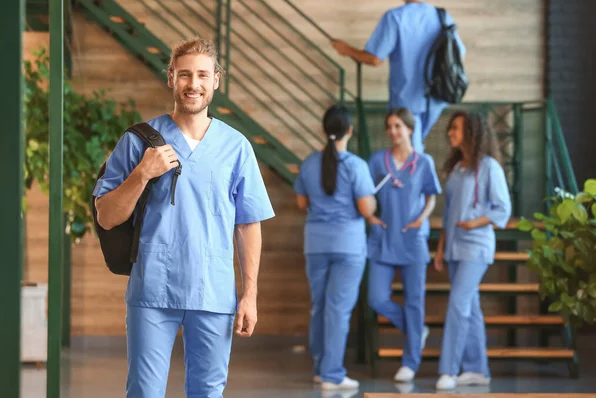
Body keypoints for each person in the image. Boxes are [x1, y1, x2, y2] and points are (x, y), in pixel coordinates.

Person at [93, 37, 275, 398]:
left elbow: (248, 224)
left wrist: (249, 295)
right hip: (152, 290)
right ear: (171, 78)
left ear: (216, 80)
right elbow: (106, 216)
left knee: (207, 392)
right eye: (185, 75)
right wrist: (142, 174)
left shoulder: (236, 146)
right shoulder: (139, 141)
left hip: (213, 291)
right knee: (144, 392)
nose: (194, 84)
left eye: (203, 75)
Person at [293, 104, 377, 391]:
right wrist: (373, 201)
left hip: (316, 244)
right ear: (349, 131)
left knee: (319, 306)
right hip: (348, 246)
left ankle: (320, 369)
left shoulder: (309, 163)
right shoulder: (356, 166)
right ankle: (332, 374)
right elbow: (366, 209)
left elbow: (302, 203)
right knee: (338, 310)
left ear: (323, 129)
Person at [433, 111, 511, 390]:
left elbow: (503, 208)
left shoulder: (490, 168)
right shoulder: (456, 169)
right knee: (471, 307)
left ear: (471, 132)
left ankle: (448, 370)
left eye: (455, 128)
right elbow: (448, 213)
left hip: (476, 247)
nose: (450, 132)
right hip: (454, 246)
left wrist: (473, 222)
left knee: (458, 303)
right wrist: (441, 249)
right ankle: (478, 369)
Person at [330, 0, 466, 153]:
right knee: (415, 147)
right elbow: (459, 53)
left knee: (410, 154)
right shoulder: (442, 16)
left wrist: (347, 50)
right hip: (436, 97)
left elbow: (375, 59)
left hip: (406, 100)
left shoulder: (395, 17)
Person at [366, 108, 441, 382]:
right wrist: (372, 217)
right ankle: (415, 331)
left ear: (410, 129)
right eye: (389, 127)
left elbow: (431, 196)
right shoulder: (377, 161)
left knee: (414, 303)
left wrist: (421, 219)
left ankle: (410, 363)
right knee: (376, 298)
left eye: (398, 126)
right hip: (383, 239)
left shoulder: (424, 163)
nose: (393, 131)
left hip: (413, 241)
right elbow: (365, 194)